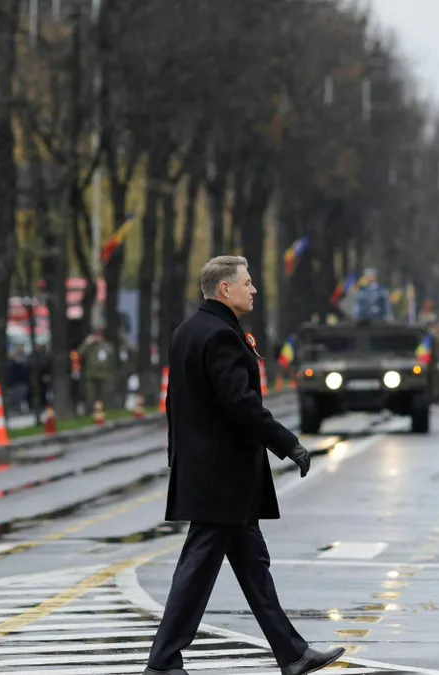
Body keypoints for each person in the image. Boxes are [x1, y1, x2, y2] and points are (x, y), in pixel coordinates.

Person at [144, 255, 343, 675]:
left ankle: (292, 654)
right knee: (197, 570)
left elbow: (173, 403)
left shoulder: (188, 331)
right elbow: (241, 404)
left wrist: (177, 456)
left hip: (212, 473)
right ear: (225, 290)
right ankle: (162, 661)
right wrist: (288, 443)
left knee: (254, 568)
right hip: (224, 477)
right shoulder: (220, 335)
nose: (254, 289)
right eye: (247, 283)